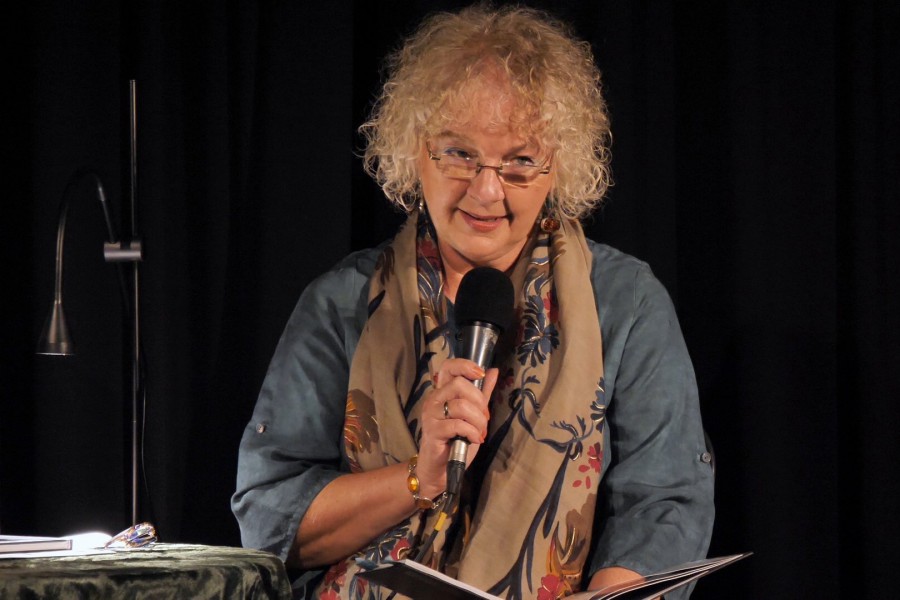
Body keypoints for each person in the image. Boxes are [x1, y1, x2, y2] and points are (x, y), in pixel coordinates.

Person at [232, 5, 714, 599]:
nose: (486, 190)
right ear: (416, 152)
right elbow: (270, 518)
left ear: (558, 167)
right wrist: (419, 477)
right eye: (459, 153)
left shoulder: (624, 302)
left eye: (519, 161)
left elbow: (664, 502)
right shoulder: (341, 303)